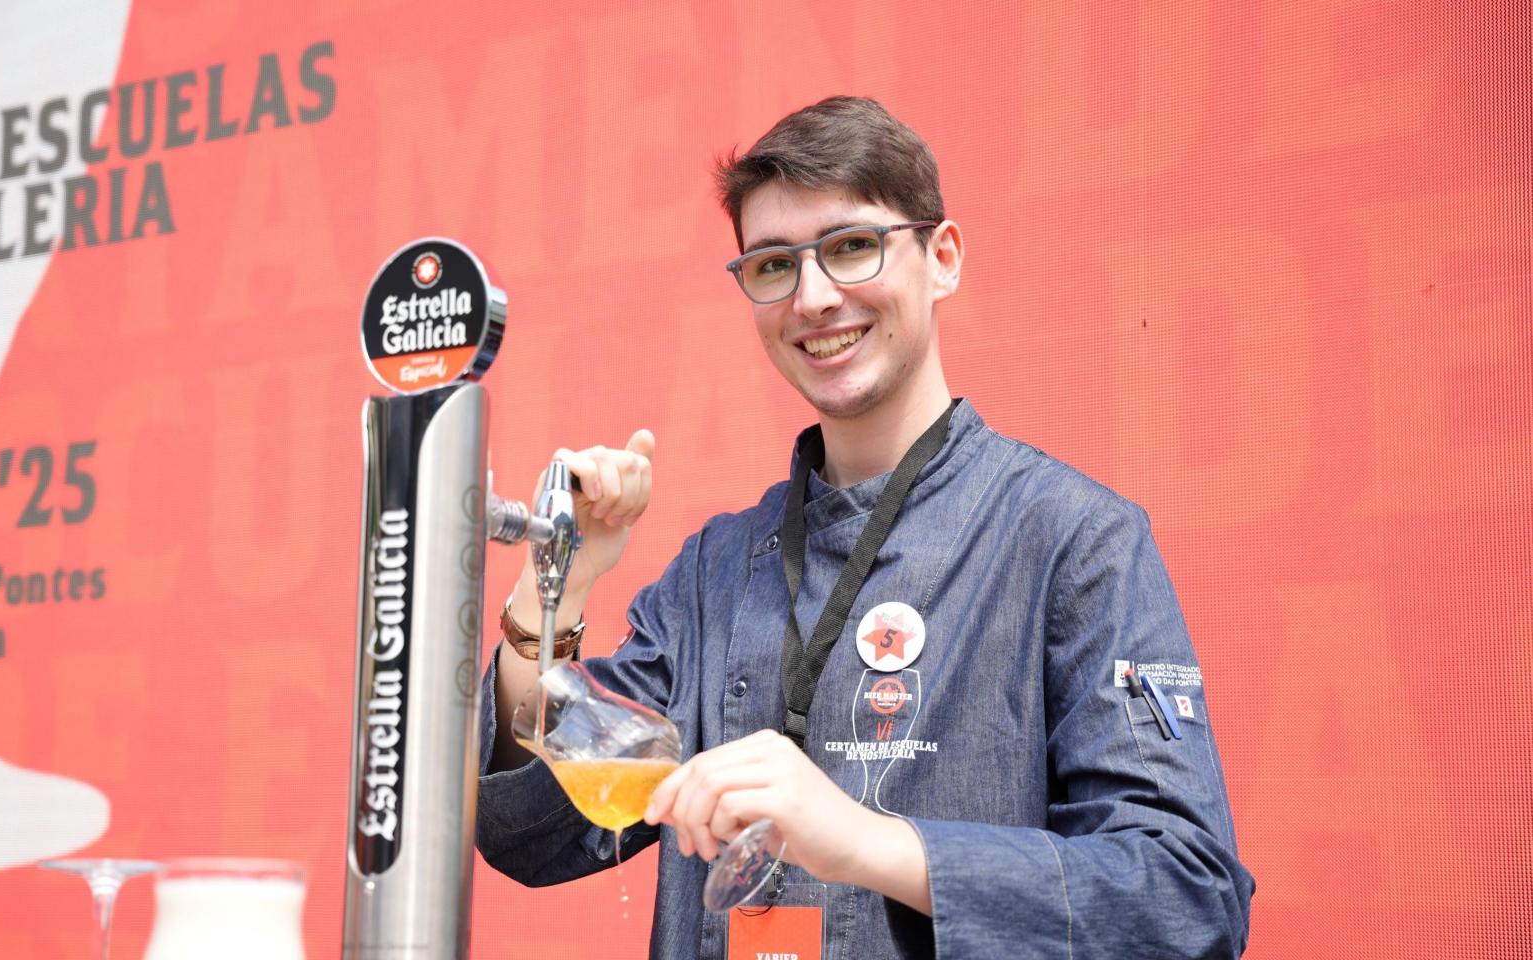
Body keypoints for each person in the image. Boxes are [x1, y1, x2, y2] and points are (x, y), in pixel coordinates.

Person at [476, 96, 1254, 958]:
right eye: (773, 265)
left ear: (942, 257)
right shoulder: (716, 571)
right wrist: (555, 585)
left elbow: (1185, 895)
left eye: (851, 247)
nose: (813, 298)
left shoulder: (1073, 541)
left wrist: (867, 843)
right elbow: (530, 835)